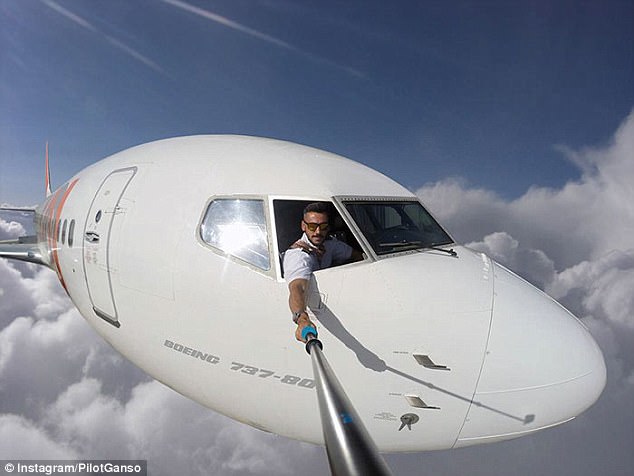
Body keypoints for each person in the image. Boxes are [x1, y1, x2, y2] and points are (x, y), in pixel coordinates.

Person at [283, 202, 363, 342]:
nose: (318, 232)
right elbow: (297, 287)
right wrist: (302, 319)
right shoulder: (297, 255)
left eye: (323, 227)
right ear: (303, 226)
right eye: (312, 226)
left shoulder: (330, 245)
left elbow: (357, 255)